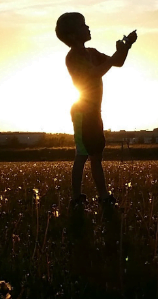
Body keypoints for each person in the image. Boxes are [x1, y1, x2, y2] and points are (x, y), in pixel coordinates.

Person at [55, 12, 137, 225]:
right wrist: (113, 58)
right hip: (82, 113)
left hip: (94, 113)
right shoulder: (73, 57)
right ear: (73, 36)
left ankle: (103, 197)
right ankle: (76, 198)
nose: (88, 27)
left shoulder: (91, 52)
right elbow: (94, 73)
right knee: (82, 155)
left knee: (96, 156)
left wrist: (125, 48)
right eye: (83, 25)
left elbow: (116, 63)